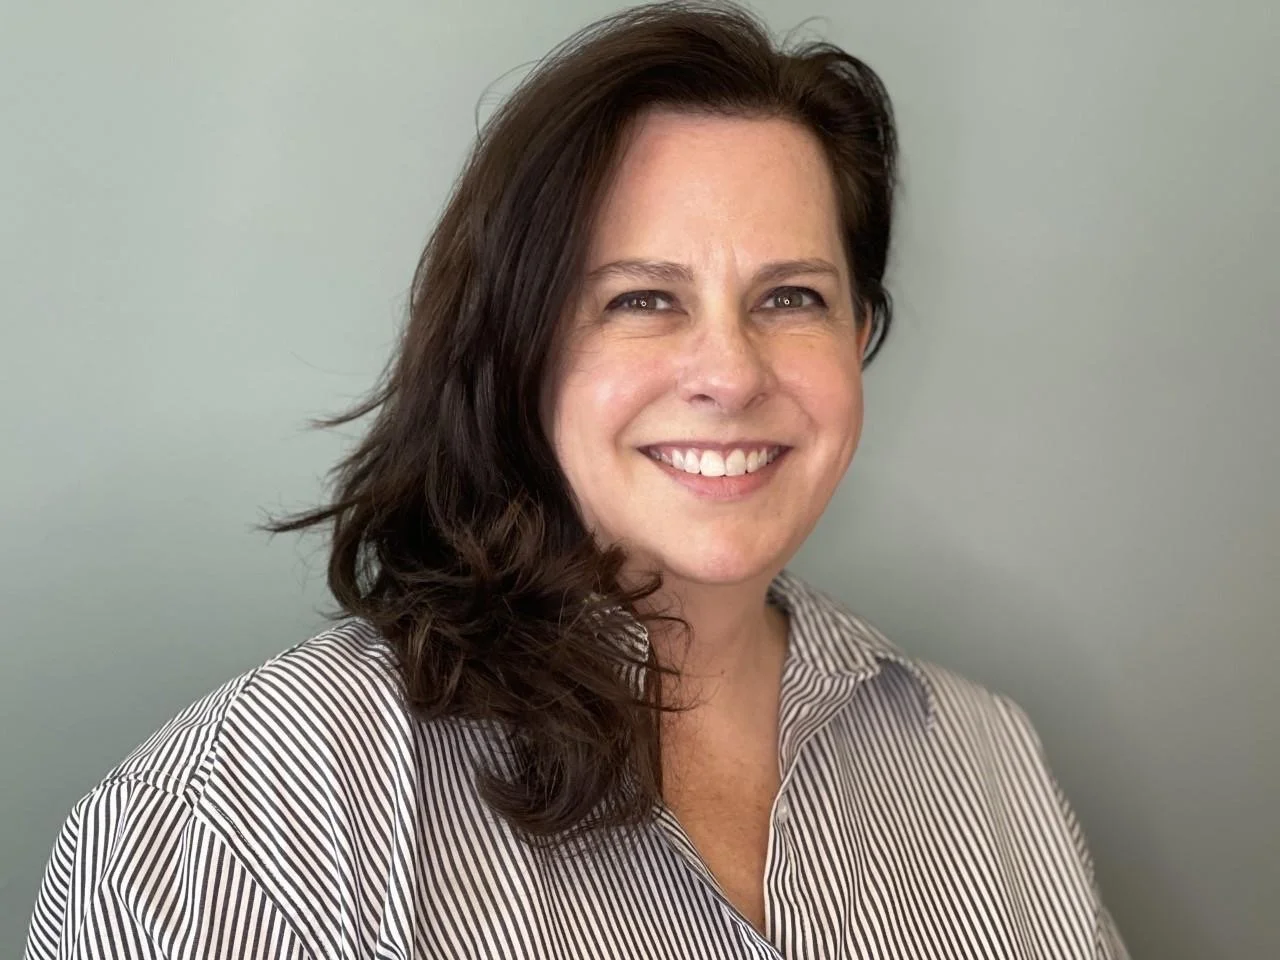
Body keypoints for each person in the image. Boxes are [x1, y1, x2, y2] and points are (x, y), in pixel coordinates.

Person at [25, 3, 1129, 957]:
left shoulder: (988, 763)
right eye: (640, 299)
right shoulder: (232, 825)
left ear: (859, 338)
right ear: (515, 347)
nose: (728, 373)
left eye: (790, 297)